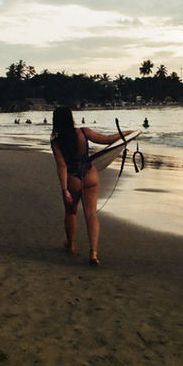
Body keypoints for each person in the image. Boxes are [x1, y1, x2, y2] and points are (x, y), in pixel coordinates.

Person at [50, 106, 133, 266]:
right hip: (89, 175)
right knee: (91, 214)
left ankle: (71, 245)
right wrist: (126, 134)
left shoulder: (56, 142)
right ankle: (93, 254)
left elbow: (62, 166)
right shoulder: (84, 132)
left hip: (72, 179)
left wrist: (65, 189)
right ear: (71, 117)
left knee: (71, 213)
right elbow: (108, 139)